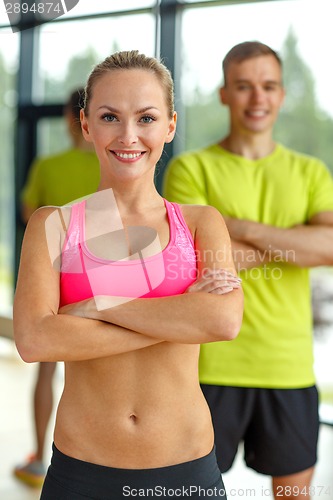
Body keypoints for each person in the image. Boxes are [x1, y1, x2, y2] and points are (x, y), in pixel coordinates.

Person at [13, 50, 243, 499]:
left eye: (147, 118)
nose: (129, 135)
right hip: (82, 472)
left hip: (186, 471)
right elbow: (36, 340)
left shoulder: (199, 223)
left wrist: (97, 307)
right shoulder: (53, 225)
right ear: (86, 125)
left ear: (170, 125)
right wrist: (179, 319)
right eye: (109, 116)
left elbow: (222, 321)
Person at [163, 41, 333, 499]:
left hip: (288, 368)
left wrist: (235, 227)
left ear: (281, 94)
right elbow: (191, 257)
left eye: (268, 86)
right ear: (224, 93)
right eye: (243, 86)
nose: (257, 98)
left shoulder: (311, 172)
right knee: (188, 493)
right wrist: (295, 242)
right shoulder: (190, 168)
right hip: (208, 365)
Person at [14, 88, 100, 488]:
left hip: (58, 279)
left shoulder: (50, 166)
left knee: (48, 372)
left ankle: (40, 454)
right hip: (97, 282)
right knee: (95, 372)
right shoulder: (110, 165)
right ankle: (84, 455)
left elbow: (32, 216)